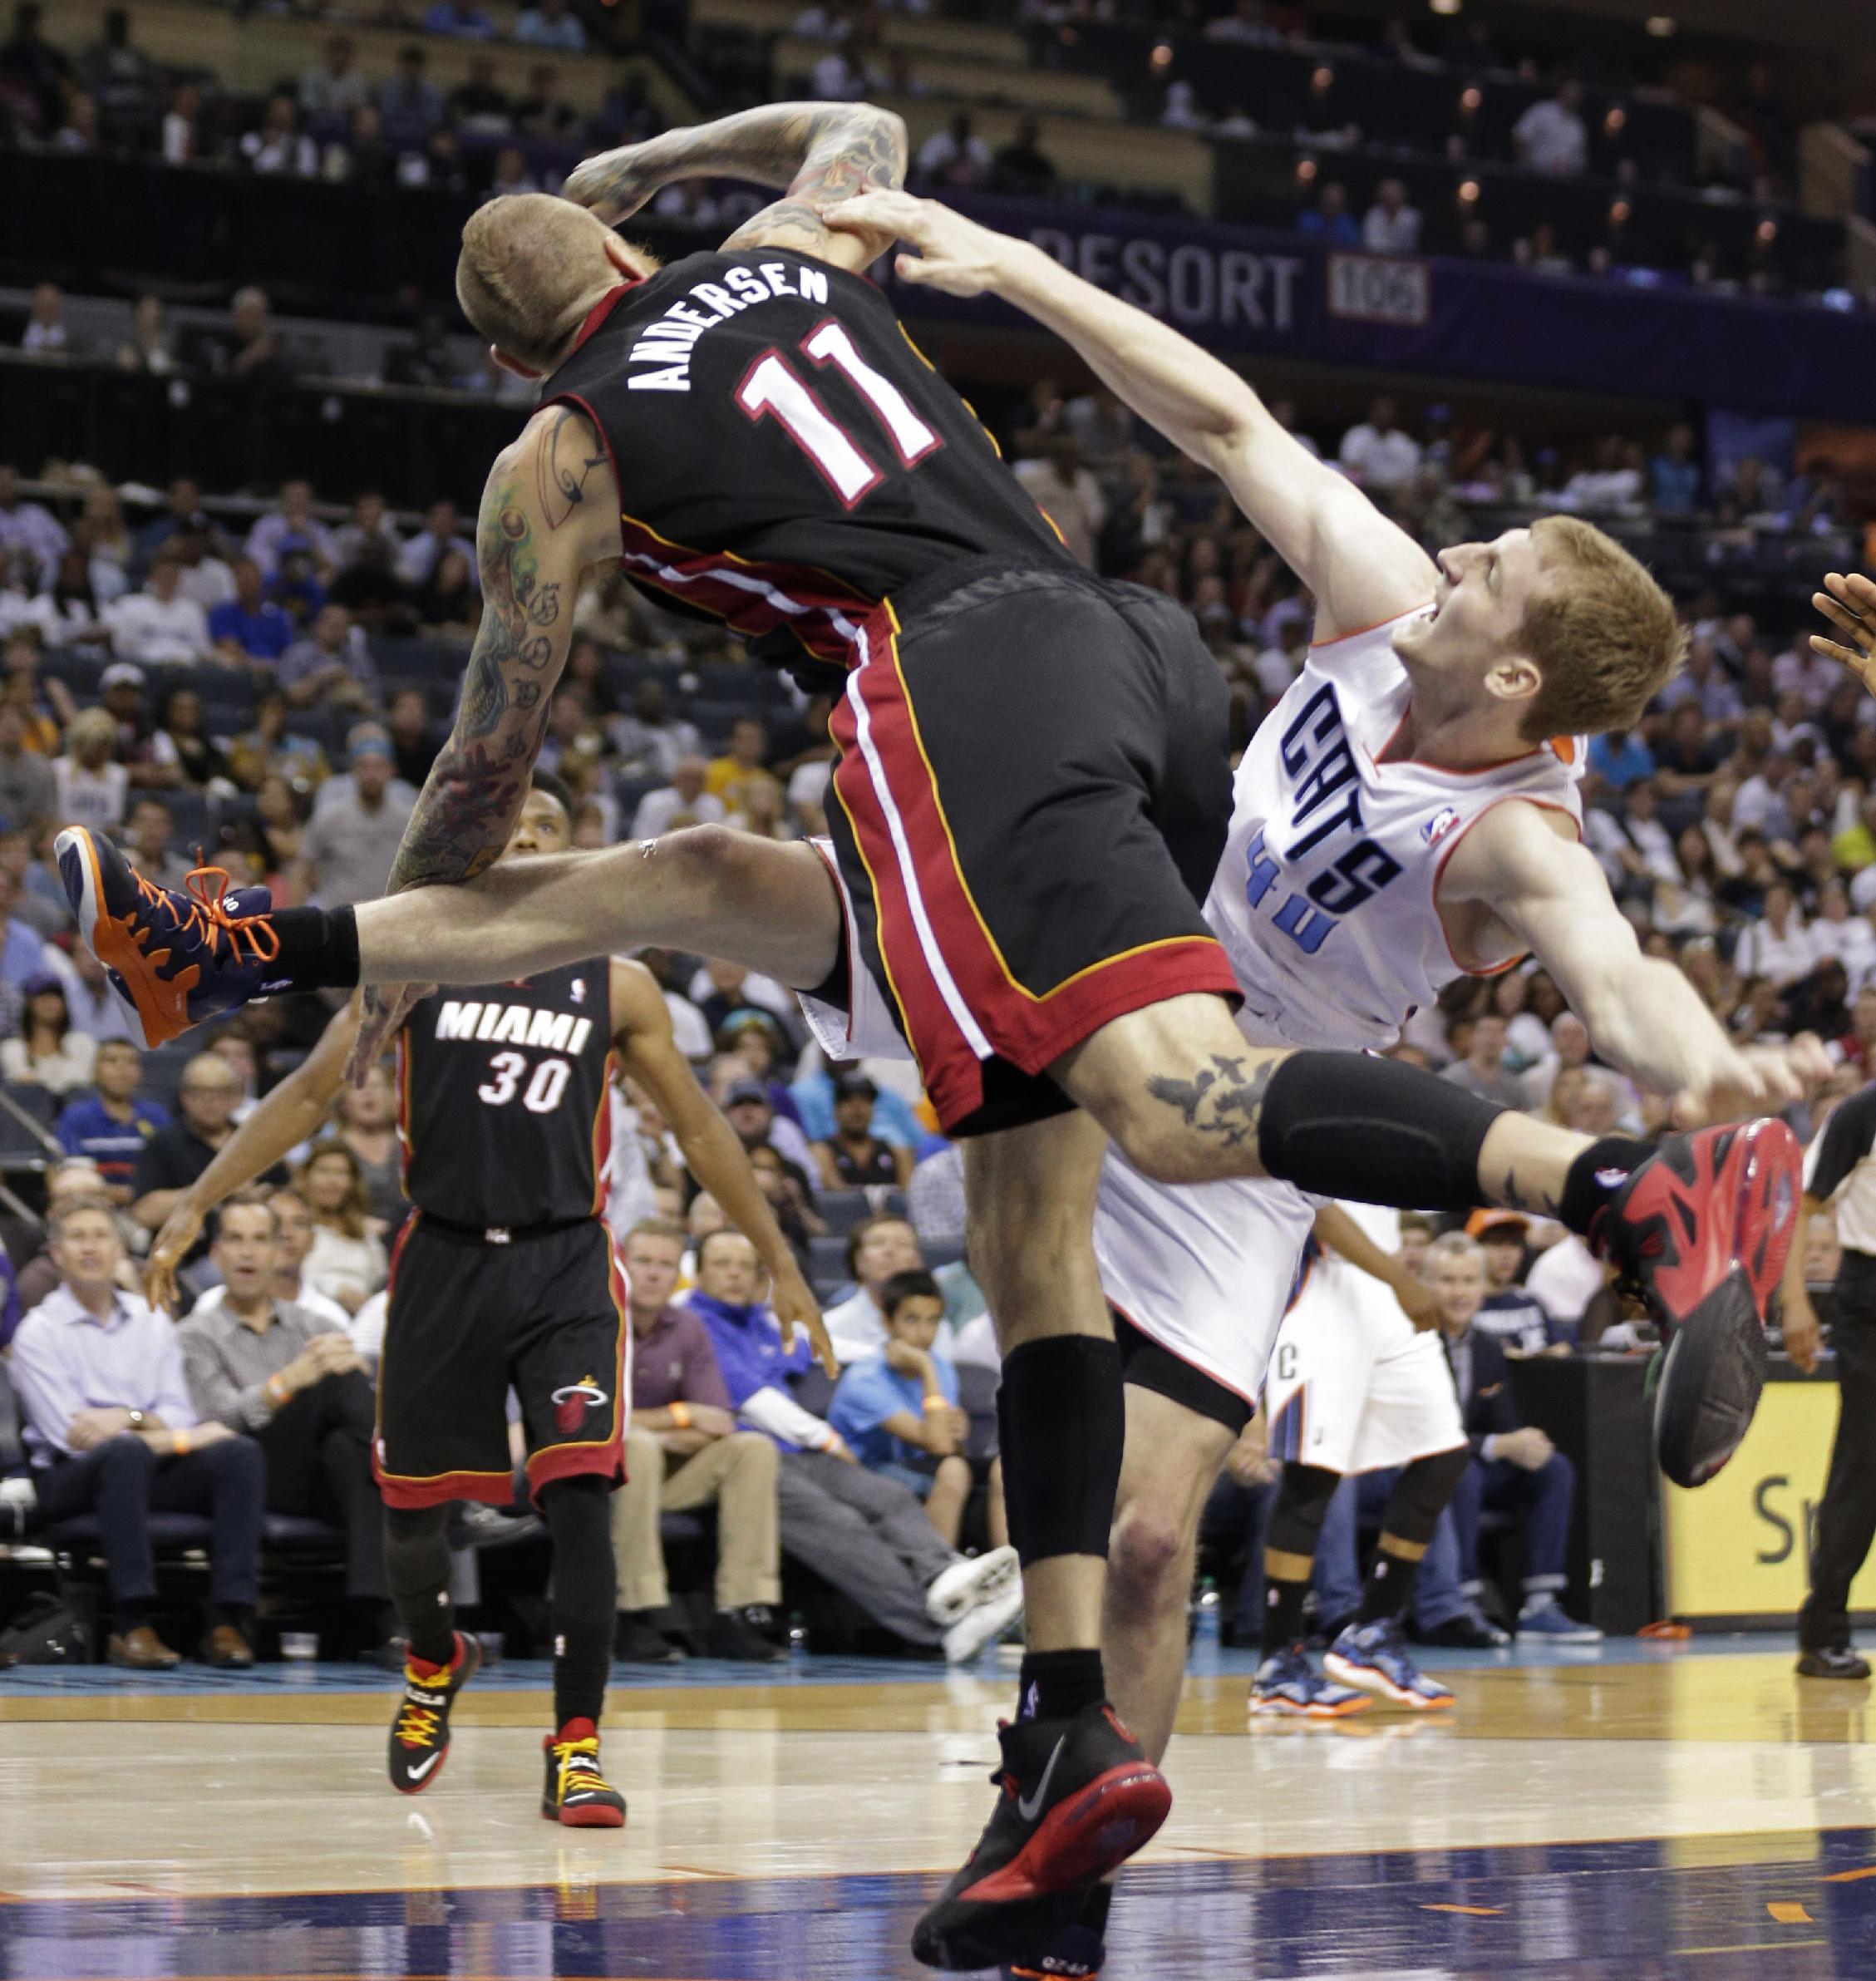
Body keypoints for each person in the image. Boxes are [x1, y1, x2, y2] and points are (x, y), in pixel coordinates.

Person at [57, 116, 1812, 1971]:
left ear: (1519, 677)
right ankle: (1058, 1785)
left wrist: (1693, 1071)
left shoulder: (1519, 826)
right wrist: (976, 257)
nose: (1455, 552)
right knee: (753, 933)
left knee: (1167, 1206)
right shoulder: (1366, 598)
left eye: (1493, 567)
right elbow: (1208, 407)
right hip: (1105, 765)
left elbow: (1615, 973)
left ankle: (1619, 1190)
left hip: (1104, 873)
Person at [138, 774, 825, 1823]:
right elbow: (313, 1090)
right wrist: (200, 1195)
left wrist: (776, 1256)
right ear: (479, 846)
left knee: (584, 1497)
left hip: (565, 1264)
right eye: (516, 827)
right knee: (414, 1514)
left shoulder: (620, 982)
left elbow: (697, 1129)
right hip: (444, 1257)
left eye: (554, 828)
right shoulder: (417, 956)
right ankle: (432, 1661)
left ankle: (578, 1747)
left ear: (578, 857)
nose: (534, 839)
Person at [683, 1226, 1021, 1659]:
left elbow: (825, 1345)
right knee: (840, 1525)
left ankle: (949, 1578)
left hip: (797, 1453)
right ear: (699, 1272)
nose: (735, 1275)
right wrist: (825, 1437)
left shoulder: (759, 1324)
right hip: (747, 1460)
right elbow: (753, 1399)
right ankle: (935, 1627)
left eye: (746, 1266)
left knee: (889, 1496)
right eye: (722, 1265)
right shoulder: (695, 1324)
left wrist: (894, 1352)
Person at [8, 1200, 264, 1668]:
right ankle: (132, 1623)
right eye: (78, 1237)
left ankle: (228, 1619)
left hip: (146, 1462)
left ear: (121, 1249)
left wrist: (127, 1417)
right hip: (70, 1481)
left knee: (238, 1453)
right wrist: (151, 1426)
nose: (91, 1247)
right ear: (57, 1254)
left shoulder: (150, 1320)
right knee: (125, 1455)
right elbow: (73, 1436)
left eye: (101, 1236)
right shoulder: (38, 1333)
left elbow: (178, 1414)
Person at [1249, 1203, 1472, 1716]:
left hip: (1384, 1283)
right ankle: (1275, 1664)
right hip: (1321, 1287)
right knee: (1313, 1476)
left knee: (1444, 1453)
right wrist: (1401, 1278)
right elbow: (1318, 1211)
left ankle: (1372, 1630)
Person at [174, 1195, 391, 1654]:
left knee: (348, 1451)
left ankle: (386, 1618)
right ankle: (419, 1474)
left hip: (319, 1474)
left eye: (259, 1240)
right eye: (234, 1240)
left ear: (279, 1253)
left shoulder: (312, 1322)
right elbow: (219, 1420)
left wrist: (352, 1372)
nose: (247, 1252)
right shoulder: (197, 1333)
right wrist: (286, 1383)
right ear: (215, 1255)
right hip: (245, 1472)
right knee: (331, 1381)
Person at [611, 1216, 785, 1662]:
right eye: (643, 1261)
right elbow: (597, 1423)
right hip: (600, 1479)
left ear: (678, 1275)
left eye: (665, 1265)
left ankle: (740, 1609)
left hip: (666, 1477)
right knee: (637, 1446)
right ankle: (633, 1611)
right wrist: (679, 1416)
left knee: (753, 1448)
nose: (653, 1273)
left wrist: (657, 1429)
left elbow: (719, 1424)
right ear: (620, 1266)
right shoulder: (593, 1321)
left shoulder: (688, 1327)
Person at [1430, 1233, 1600, 1641]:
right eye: (1448, 1281)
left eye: (1470, 1281)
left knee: (1553, 1468)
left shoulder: (1487, 1347)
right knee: (1463, 1470)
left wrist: (1523, 1443)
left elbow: (1503, 1425)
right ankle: (1464, 1599)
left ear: (1483, 1288)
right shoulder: (1414, 1342)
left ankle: (1540, 1605)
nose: (1460, 1292)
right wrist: (1495, 1445)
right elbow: (1423, 1437)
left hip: (1472, 1467)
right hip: (1423, 1472)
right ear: (1427, 1285)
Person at [1781, 1076, 1876, 1679]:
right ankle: (1824, 1630)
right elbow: (1800, 1202)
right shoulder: (1861, 1112)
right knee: (1863, 1463)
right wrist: (1794, 1300)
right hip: (1870, 1292)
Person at [829, 1268, 1003, 1550]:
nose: (924, 1333)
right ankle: (941, 1576)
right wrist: (925, 1369)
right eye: (911, 1320)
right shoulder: (864, 1380)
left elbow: (948, 1447)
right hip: (867, 1473)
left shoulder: (942, 1368)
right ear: (887, 1322)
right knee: (954, 1471)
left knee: (1004, 1468)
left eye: (933, 1321)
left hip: (924, 1466)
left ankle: (1012, 1575)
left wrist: (958, 1437)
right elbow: (938, 1446)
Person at [56, 1036, 169, 1200]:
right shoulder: (76, 1117)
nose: (121, 1068)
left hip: (148, 1206)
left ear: (140, 1072)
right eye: (112, 1060)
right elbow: (67, 1175)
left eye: (130, 1061)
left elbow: (169, 1172)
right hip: (93, 1205)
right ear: (96, 1071)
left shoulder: (157, 1116)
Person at [294, 1140, 387, 1317]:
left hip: (362, 1314)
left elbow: (380, 1278)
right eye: (324, 1171)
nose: (332, 1181)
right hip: (309, 1313)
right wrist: (337, 1292)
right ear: (306, 1176)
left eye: (341, 1173)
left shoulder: (364, 1233)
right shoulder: (295, 1227)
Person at [822, 1212, 925, 1364]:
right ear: (858, 1260)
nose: (889, 1251)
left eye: (902, 1244)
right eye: (878, 1243)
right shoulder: (829, 1328)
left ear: (917, 1262)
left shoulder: (937, 1326)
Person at [812, 1068, 913, 1190]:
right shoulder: (822, 1151)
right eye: (848, 1100)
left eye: (865, 1100)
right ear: (835, 1109)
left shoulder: (896, 1153)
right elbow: (834, 1191)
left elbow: (908, 1195)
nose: (857, 1108)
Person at [0, 974, 96, 1095]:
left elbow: (82, 1082)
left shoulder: (82, 1043)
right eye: (41, 996)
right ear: (29, 1003)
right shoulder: (12, 1049)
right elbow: (25, 1088)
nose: (50, 1001)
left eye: (56, 996)